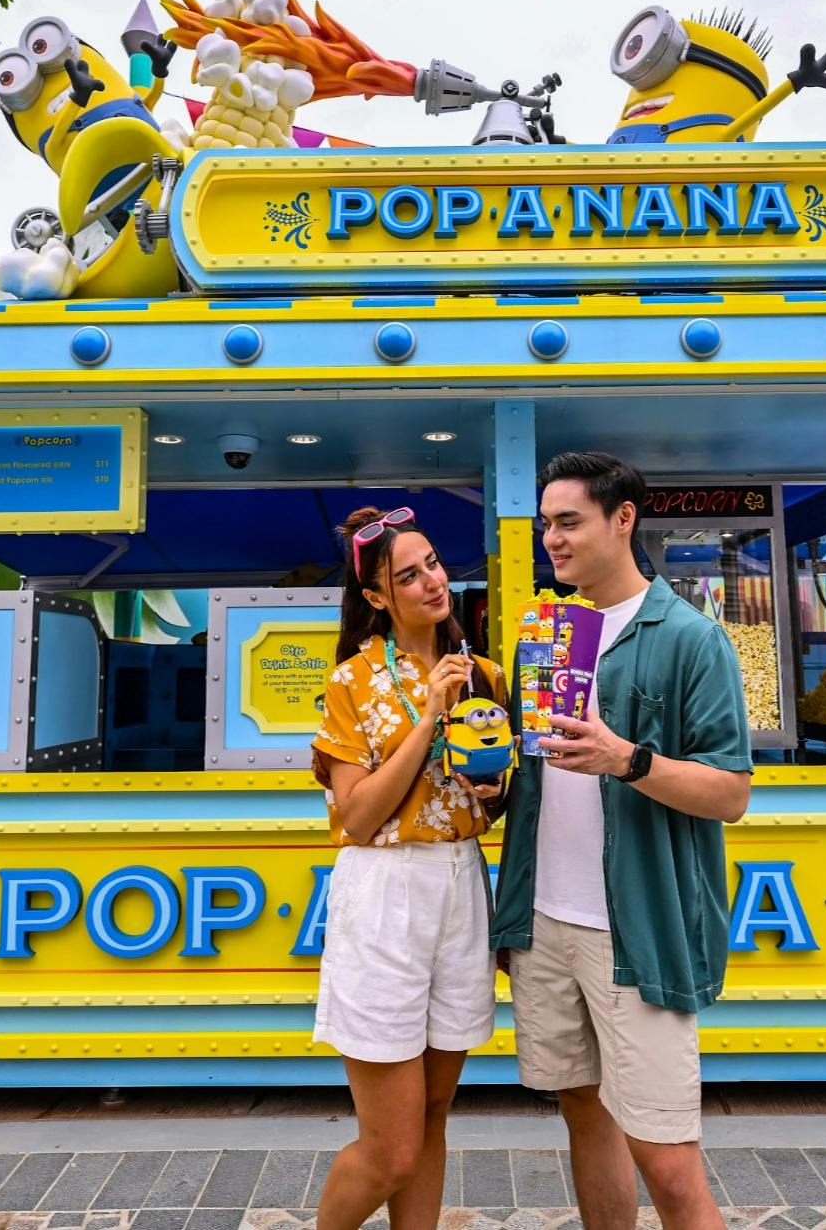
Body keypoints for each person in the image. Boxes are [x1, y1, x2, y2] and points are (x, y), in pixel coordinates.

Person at [492, 452, 753, 1230]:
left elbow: (730, 794)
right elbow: (539, 786)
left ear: (623, 518)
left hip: (635, 931)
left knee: (669, 1163)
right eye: (546, 524)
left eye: (568, 521)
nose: (552, 539)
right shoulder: (544, 632)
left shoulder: (690, 639)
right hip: (545, 924)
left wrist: (628, 760)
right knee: (583, 1114)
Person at [310, 505, 507, 1230]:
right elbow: (357, 818)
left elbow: (489, 801)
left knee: (431, 1115)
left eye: (432, 565)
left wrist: (494, 791)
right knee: (390, 1149)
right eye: (407, 575)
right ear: (374, 598)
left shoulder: (483, 673)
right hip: (385, 891)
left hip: (461, 884)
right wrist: (427, 720)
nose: (431, 582)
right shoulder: (351, 683)